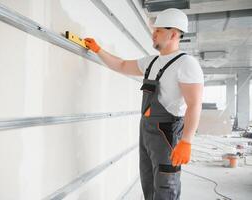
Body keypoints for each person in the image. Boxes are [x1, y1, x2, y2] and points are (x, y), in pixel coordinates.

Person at [84, 8, 204, 200]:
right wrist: (98, 50)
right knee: (148, 183)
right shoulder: (152, 62)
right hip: (147, 130)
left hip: (167, 133)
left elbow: (195, 104)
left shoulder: (186, 64)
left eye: (158, 31)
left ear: (173, 33)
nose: (153, 34)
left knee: (166, 187)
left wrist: (187, 141)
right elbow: (122, 65)